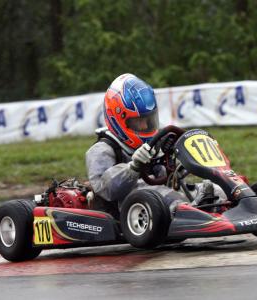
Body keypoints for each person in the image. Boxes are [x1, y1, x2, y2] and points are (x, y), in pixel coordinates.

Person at [85, 73, 226, 217]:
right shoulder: (102, 149)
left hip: (160, 196)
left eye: (149, 119)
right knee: (161, 196)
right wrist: (132, 167)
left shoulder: (156, 142)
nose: (146, 125)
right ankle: (195, 214)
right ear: (118, 120)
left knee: (218, 190)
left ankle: (235, 203)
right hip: (128, 207)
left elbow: (164, 175)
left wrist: (181, 164)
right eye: (138, 121)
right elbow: (104, 189)